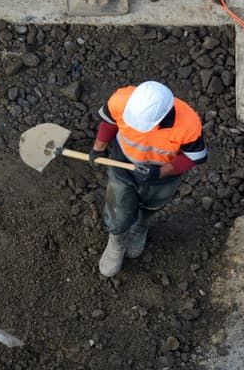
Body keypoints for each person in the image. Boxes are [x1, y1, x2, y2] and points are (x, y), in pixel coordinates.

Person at [88, 81, 208, 277]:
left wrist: (160, 173)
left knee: (151, 205)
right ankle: (117, 241)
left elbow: (194, 157)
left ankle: (141, 227)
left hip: (161, 176)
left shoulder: (187, 125)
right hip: (123, 164)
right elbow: (109, 122)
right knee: (118, 204)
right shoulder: (120, 100)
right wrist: (98, 148)